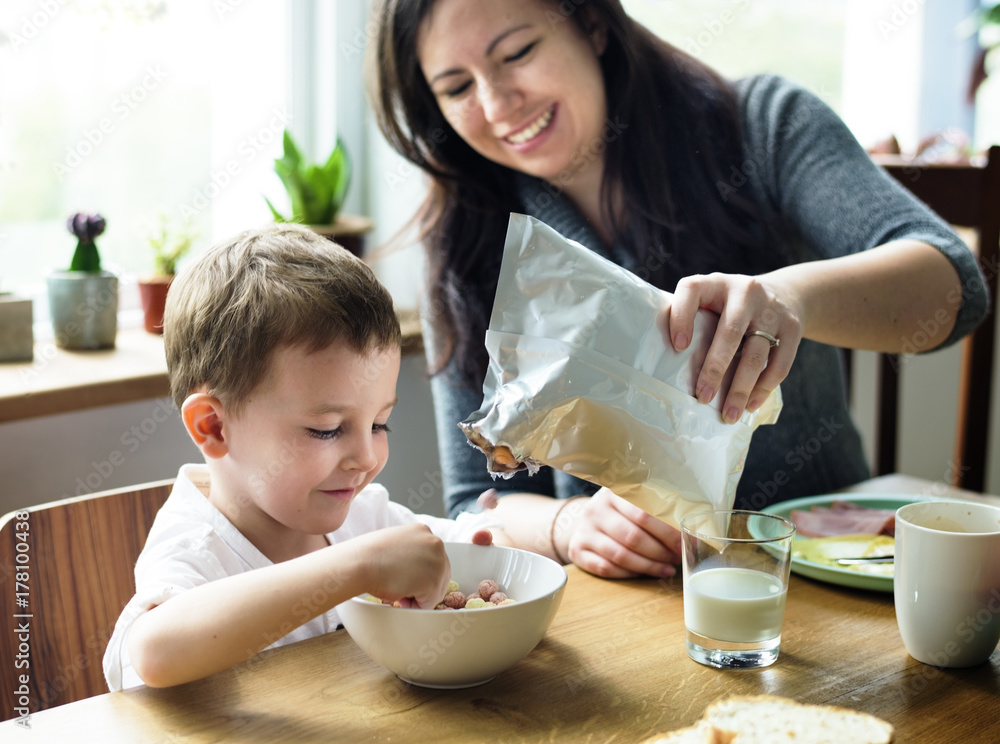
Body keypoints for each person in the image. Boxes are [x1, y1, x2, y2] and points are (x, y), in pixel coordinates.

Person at [365, 0, 989, 580]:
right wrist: (567, 525)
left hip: (820, 578)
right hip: (631, 616)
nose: (498, 103)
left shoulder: (763, 126)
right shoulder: (466, 241)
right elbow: (475, 501)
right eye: (456, 87)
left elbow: (954, 286)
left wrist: (789, 300)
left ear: (592, 25)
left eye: (517, 53)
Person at [103, 223, 511, 691]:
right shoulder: (196, 550)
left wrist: (496, 537)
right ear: (213, 427)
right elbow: (156, 652)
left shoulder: (364, 517)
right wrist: (357, 567)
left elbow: (456, 547)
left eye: (379, 424)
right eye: (328, 429)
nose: (365, 456)